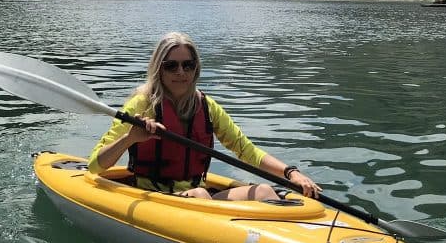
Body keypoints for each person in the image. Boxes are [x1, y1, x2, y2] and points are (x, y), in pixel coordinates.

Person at [88, 32, 321, 200]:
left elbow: (246, 150)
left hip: (197, 196)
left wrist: (292, 173)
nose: (181, 72)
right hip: (155, 197)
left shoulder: (207, 106)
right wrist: (131, 138)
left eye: (187, 65)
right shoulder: (140, 104)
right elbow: (95, 166)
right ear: (159, 69)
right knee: (200, 194)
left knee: (264, 191)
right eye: (171, 66)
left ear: (196, 68)